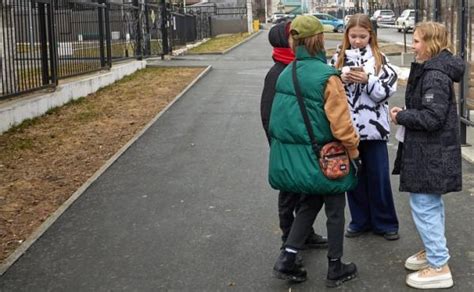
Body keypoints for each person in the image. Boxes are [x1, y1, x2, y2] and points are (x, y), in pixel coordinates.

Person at [268, 15, 360, 287]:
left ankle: (287, 258)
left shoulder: (287, 72)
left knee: (309, 204)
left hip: (301, 158)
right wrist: (354, 152)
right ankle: (335, 267)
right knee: (335, 208)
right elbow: (342, 126)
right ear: (319, 39)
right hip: (327, 157)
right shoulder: (327, 77)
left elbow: (278, 121)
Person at [390, 21, 464, 289]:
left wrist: (402, 116)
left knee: (424, 206)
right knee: (429, 204)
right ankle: (434, 252)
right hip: (429, 151)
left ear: (431, 44)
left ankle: (438, 265)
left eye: (419, 40)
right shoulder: (434, 70)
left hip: (429, 153)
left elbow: (432, 118)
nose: (414, 45)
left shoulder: (434, 75)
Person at [330, 13, 399, 240]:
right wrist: (342, 79)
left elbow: (385, 94)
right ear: (347, 35)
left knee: (378, 178)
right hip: (348, 131)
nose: (358, 41)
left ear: (371, 35)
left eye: (362, 36)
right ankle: (359, 220)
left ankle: (385, 222)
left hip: (375, 131)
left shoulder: (380, 60)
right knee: (354, 178)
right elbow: (328, 92)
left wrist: (367, 80)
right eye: (353, 36)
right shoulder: (337, 59)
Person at [261, 21, 329, 252]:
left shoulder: (297, 68)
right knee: (289, 194)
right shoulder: (278, 73)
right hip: (288, 147)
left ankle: (305, 234)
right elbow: (268, 116)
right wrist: (279, 147)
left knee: (306, 192)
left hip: (303, 144)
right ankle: (288, 239)